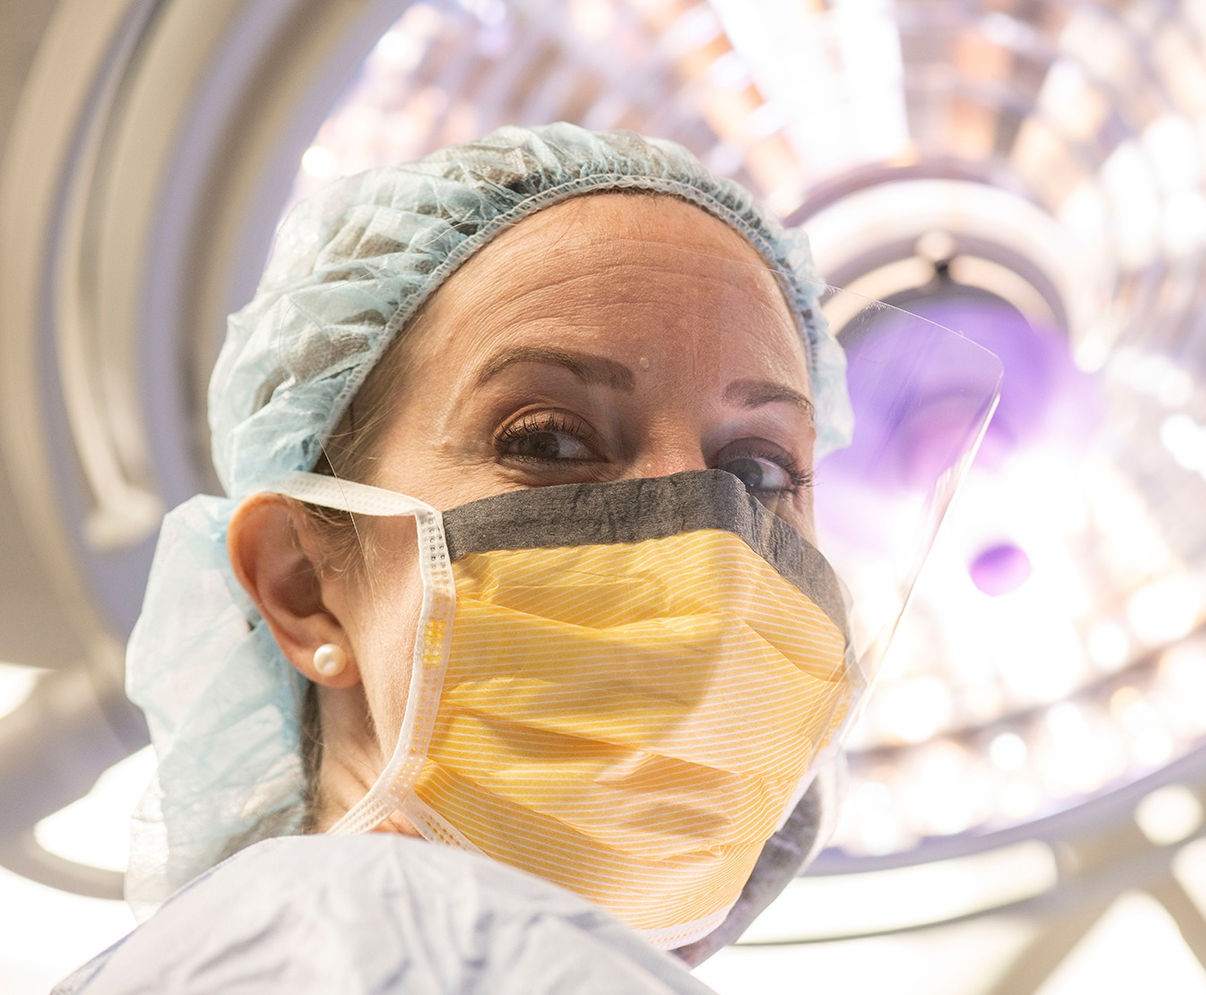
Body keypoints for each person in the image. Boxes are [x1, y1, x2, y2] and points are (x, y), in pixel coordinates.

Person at [55, 123, 861, 993]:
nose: (703, 541)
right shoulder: (320, 946)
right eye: (551, 439)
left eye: (758, 468)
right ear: (303, 586)